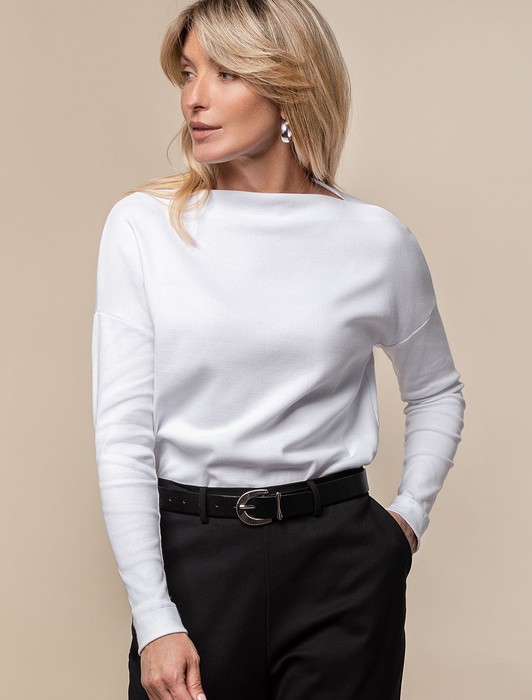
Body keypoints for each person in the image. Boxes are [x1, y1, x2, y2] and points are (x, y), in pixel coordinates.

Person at [91, 0, 466, 698]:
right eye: (187, 72)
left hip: (341, 563)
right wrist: (154, 616)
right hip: (194, 561)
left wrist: (407, 520)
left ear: (290, 83)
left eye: (226, 73)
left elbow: (436, 389)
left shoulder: (375, 241)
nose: (194, 98)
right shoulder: (143, 228)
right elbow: (123, 435)